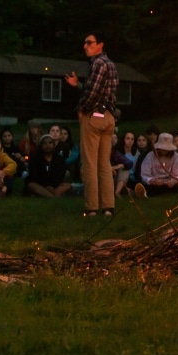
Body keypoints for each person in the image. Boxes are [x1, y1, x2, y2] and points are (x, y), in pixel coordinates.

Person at [66, 33, 119, 217]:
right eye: (85, 42)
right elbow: (103, 92)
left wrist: (81, 109)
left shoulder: (97, 63)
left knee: (89, 163)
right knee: (104, 163)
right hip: (108, 117)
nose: (85, 46)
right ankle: (108, 207)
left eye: (89, 42)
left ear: (100, 45)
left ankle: (91, 208)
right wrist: (79, 85)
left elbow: (94, 92)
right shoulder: (111, 65)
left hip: (94, 117)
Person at [136, 132, 178, 198]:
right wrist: (152, 180)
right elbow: (144, 174)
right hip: (154, 182)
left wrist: (173, 181)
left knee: (176, 187)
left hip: (169, 182)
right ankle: (144, 193)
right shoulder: (150, 156)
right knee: (151, 188)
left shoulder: (175, 156)